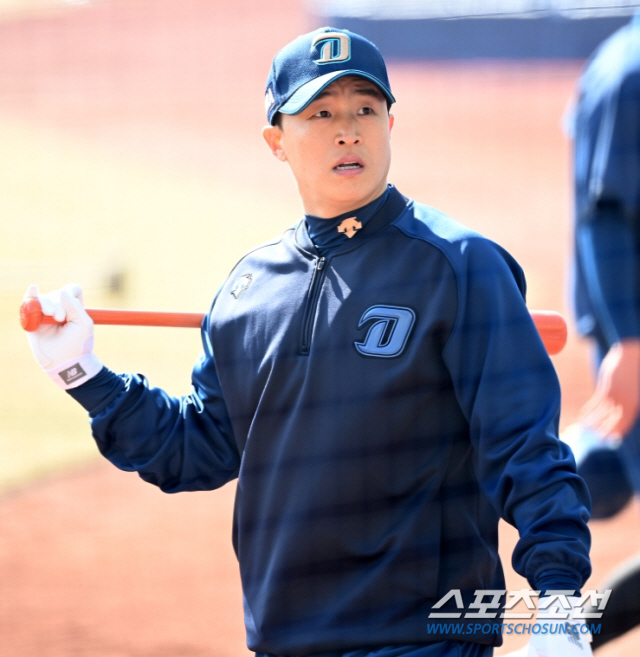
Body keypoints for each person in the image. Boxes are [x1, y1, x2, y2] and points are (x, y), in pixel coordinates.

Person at [25, 27, 593, 657]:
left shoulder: (460, 266)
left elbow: (523, 446)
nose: (347, 131)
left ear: (389, 125)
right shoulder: (248, 289)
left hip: (423, 641)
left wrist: (559, 604)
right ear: (276, 141)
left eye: (365, 109)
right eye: (320, 113)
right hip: (285, 642)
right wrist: (83, 374)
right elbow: (196, 452)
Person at [565, 11, 640, 650]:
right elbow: (604, 214)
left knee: (607, 477)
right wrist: (629, 342)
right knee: (603, 473)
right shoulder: (631, 71)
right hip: (637, 338)